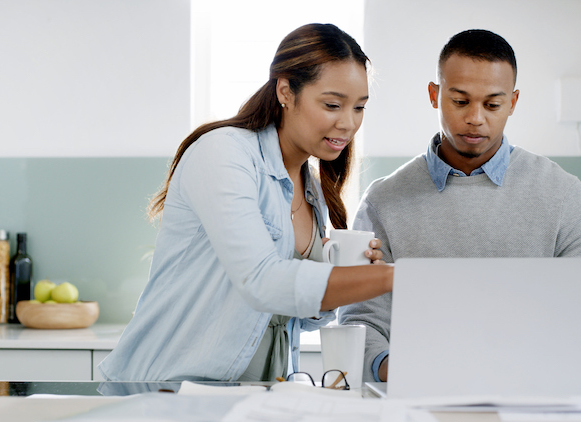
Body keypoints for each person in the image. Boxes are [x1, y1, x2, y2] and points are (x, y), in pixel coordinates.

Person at [97, 23, 393, 383]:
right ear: (286, 90)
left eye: (359, 108)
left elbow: (287, 314)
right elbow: (261, 281)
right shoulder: (223, 153)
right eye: (332, 105)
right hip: (167, 390)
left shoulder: (311, 187)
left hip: (254, 395)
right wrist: (388, 278)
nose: (348, 123)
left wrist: (347, 278)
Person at [338, 29, 581, 383]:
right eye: (460, 101)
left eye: (492, 104)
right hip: (419, 399)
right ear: (435, 95)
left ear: (513, 102)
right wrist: (395, 369)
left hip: (537, 397)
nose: (476, 118)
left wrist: (557, 375)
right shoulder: (383, 202)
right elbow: (361, 320)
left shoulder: (562, 194)